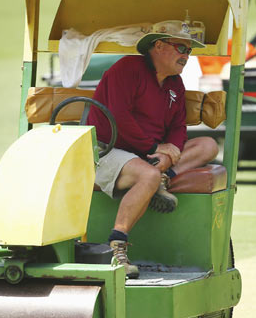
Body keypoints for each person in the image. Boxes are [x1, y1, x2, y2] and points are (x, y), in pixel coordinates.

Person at [87, 21, 219, 279]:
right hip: (107, 149)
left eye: (189, 50)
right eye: (182, 47)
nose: (186, 55)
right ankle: (117, 247)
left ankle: (163, 178)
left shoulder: (175, 84)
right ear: (158, 46)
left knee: (208, 145)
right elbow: (119, 119)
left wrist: (167, 155)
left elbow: (178, 127)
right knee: (147, 175)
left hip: (146, 155)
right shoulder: (127, 69)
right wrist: (154, 148)